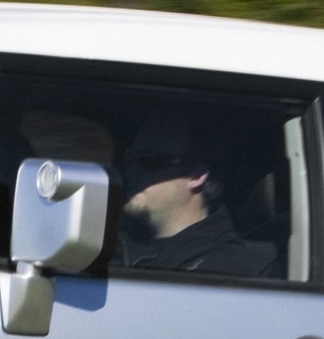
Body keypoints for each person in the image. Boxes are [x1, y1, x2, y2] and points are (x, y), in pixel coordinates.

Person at [116, 110, 278, 279]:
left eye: (146, 160)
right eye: (129, 159)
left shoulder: (245, 270)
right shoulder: (108, 251)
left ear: (196, 176)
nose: (130, 171)